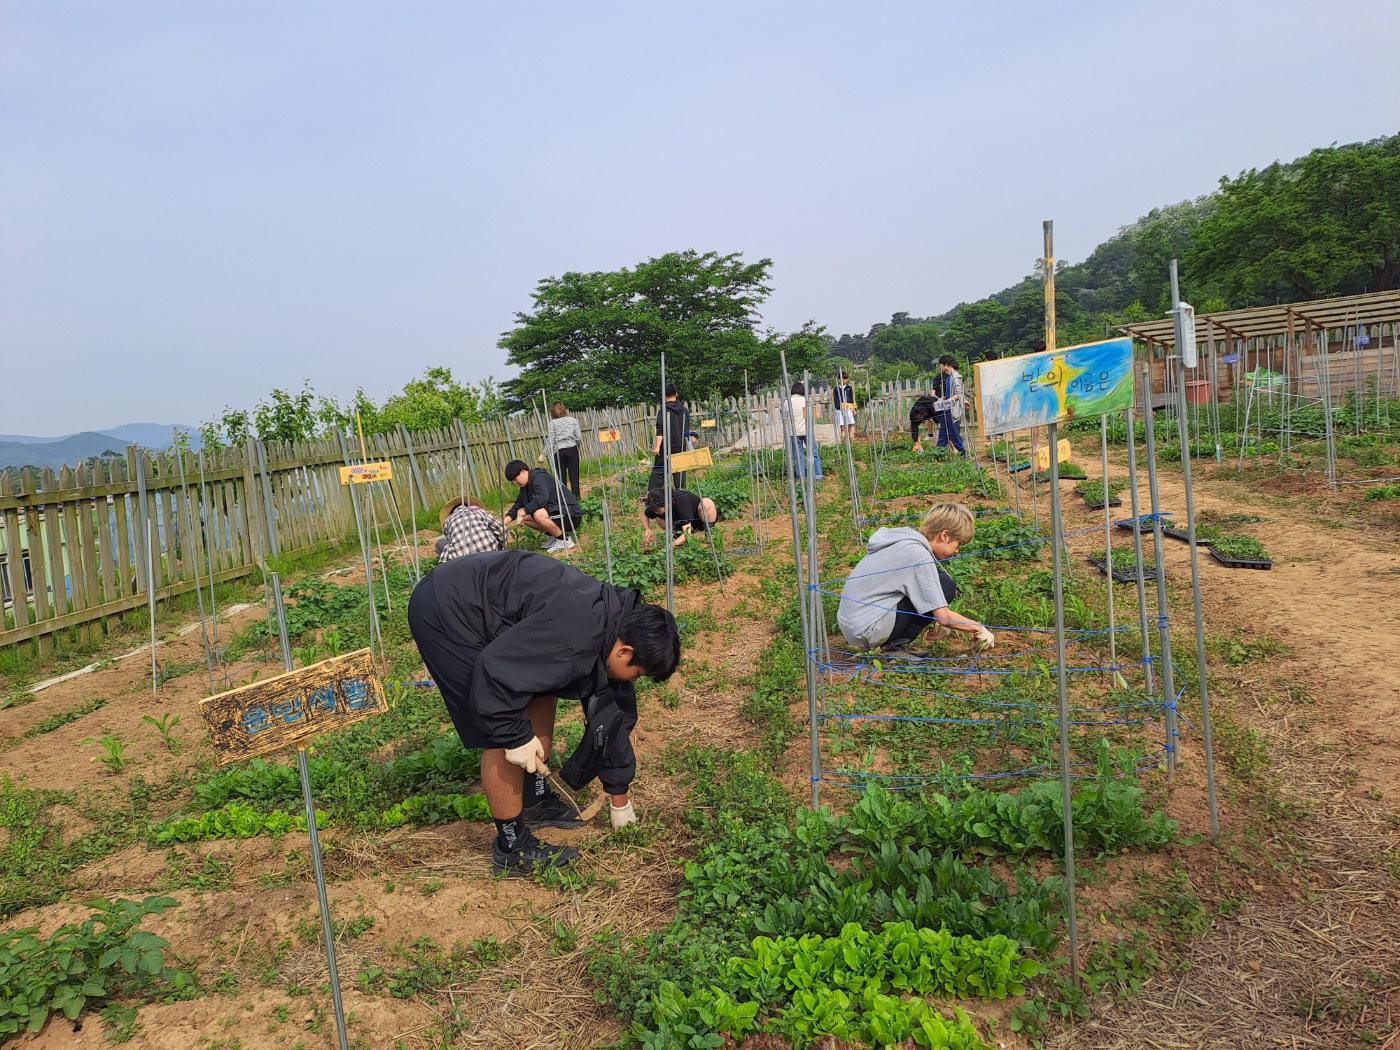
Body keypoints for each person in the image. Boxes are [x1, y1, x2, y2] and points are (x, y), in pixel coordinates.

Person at [407, 551, 681, 876]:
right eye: (637, 674)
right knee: (499, 729)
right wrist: (516, 737)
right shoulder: (573, 636)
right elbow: (496, 674)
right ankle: (512, 848)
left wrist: (619, 798)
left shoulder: (617, 625)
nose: (633, 682)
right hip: (447, 610)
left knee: (542, 682)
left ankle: (535, 801)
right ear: (624, 652)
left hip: (485, 604)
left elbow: (614, 718)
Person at [836, 502, 996, 659]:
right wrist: (978, 628)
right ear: (944, 535)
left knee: (939, 581)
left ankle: (890, 644)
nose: (957, 550)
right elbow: (944, 617)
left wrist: (935, 609)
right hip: (867, 632)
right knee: (946, 586)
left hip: (852, 625)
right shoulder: (918, 555)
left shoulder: (902, 541)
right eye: (958, 543)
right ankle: (891, 648)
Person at [502, 460, 582, 554]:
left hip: (571, 514)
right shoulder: (525, 487)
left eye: (515, 478)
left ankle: (563, 541)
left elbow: (541, 498)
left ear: (523, 472)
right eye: (513, 481)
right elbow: (517, 506)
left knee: (538, 514)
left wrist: (524, 511)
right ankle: (555, 536)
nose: (515, 482)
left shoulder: (539, 478)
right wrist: (501, 525)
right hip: (557, 512)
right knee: (526, 518)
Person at [641, 484, 720, 547]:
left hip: (698, 521)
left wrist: (672, 544)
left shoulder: (682, 502)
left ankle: (710, 533)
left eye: (658, 510)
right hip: (679, 524)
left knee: (707, 503)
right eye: (654, 510)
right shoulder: (656, 504)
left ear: (667, 503)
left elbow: (687, 533)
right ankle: (675, 534)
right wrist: (647, 528)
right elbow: (645, 515)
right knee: (658, 518)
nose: (656, 512)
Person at [436, 496, 505, 562]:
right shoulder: (478, 511)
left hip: (462, 558)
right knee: (491, 530)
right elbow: (501, 529)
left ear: (451, 512)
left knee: (440, 544)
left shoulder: (448, 520)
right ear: (468, 505)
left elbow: (451, 541)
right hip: (490, 551)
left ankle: (445, 568)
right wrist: (501, 549)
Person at [538, 402, 583, 500]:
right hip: (572, 450)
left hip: (559, 452)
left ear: (552, 411)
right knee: (574, 475)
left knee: (561, 477)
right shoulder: (573, 420)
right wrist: (577, 445)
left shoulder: (552, 423)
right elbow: (578, 437)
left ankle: (565, 499)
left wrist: (543, 454)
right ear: (563, 409)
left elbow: (551, 440)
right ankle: (577, 498)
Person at [653, 383, 690, 491]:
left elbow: (660, 430)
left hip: (666, 446)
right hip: (680, 445)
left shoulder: (663, 411)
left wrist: (657, 447)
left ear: (664, 396)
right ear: (676, 394)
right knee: (679, 470)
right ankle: (680, 492)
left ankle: (653, 494)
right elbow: (686, 429)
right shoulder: (684, 411)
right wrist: (687, 444)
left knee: (659, 471)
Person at [932, 355, 968, 456]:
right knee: (943, 430)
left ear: (947, 365)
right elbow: (951, 394)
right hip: (947, 408)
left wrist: (947, 401)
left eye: (941, 365)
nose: (940, 367)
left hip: (952, 410)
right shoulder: (949, 378)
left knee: (953, 432)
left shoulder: (956, 377)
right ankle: (940, 451)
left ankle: (963, 450)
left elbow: (959, 393)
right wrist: (942, 400)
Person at [788, 381, 823, 479]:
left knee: (798, 456)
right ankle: (818, 474)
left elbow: (785, 418)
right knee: (813, 453)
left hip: (794, 432)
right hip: (807, 430)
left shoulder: (787, 402)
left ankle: (801, 477)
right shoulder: (806, 401)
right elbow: (813, 416)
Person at [832, 371, 857, 443]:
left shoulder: (849, 388)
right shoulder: (836, 389)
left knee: (850, 426)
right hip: (839, 409)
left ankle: (851, 441)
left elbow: (852, 399)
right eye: (843, 379)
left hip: (849, 409)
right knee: (842, 427)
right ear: (839, 379)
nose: (845, 380)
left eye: (846, 379)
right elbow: (835, 399)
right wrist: (837, 407)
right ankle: (843, 442)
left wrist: (854, 409)